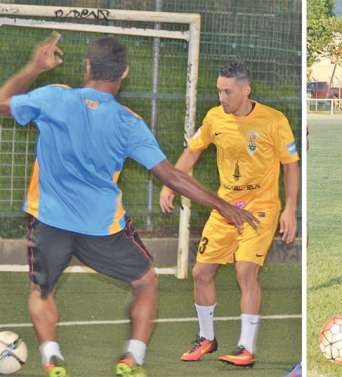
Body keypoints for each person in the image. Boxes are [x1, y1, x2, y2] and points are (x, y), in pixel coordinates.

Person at [0, 33, 257, 377]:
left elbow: (3, 103)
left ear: (88, 66)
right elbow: (170, 175)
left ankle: (51, 355)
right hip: (103, 229)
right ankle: (131, 359)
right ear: (124, 73)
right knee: (147, 283)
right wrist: (222, 204)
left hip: (50, 223)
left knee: (41, 290)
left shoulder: (54, 98)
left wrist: (34, 67)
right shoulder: (127, 122)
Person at [160, 61, 300, 367]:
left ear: (246, 90)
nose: (222, 97)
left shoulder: (274, 120)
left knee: (245, 271)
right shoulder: (214, 118)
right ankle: (207, 338)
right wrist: (171, 182)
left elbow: (291, 165)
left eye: (228, 91)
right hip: (225, 207)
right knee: (201, 273)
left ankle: (246, 348)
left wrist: (290, 207)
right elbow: (194, 150)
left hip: (261, 208)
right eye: (219, 91)